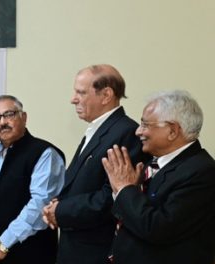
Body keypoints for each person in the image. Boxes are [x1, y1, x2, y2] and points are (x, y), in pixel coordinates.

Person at [42, 64, 148, 264]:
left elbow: (112, 197)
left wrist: (61, 211)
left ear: (106, 94)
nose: (73, 99)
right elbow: (79, 184)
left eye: (81, 92)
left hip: (96, 251)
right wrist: (56, 204)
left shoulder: (126, 133)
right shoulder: (99, 129)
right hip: (75, 248)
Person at [102, 90, 215, 263]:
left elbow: (158, 228)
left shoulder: (202, 171)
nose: (138, 131)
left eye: (145, 125)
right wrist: (126, 190)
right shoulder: (151, 165)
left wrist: (125, 189)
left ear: (172, 131)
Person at [0, 95, 65, 263]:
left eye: (9, 114)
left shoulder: (44, 153)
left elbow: (39, 205)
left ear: (24, 117)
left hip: (29, 252)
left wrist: (4, 243)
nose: (2, 122)